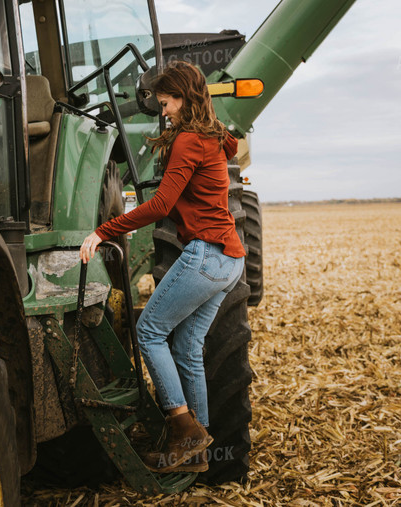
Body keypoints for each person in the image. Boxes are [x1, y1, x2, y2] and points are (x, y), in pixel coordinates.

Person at [79, 61, 246, 473]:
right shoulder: (215, 137)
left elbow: (161, 205)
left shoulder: (189, 139)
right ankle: (198, 448)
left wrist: (104, 230)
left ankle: (180, 425)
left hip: (206, 256)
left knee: (149, 330)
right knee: (188, 348)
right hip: (231, 261)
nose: (163, 110)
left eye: (167, 101)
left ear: (185, 98)